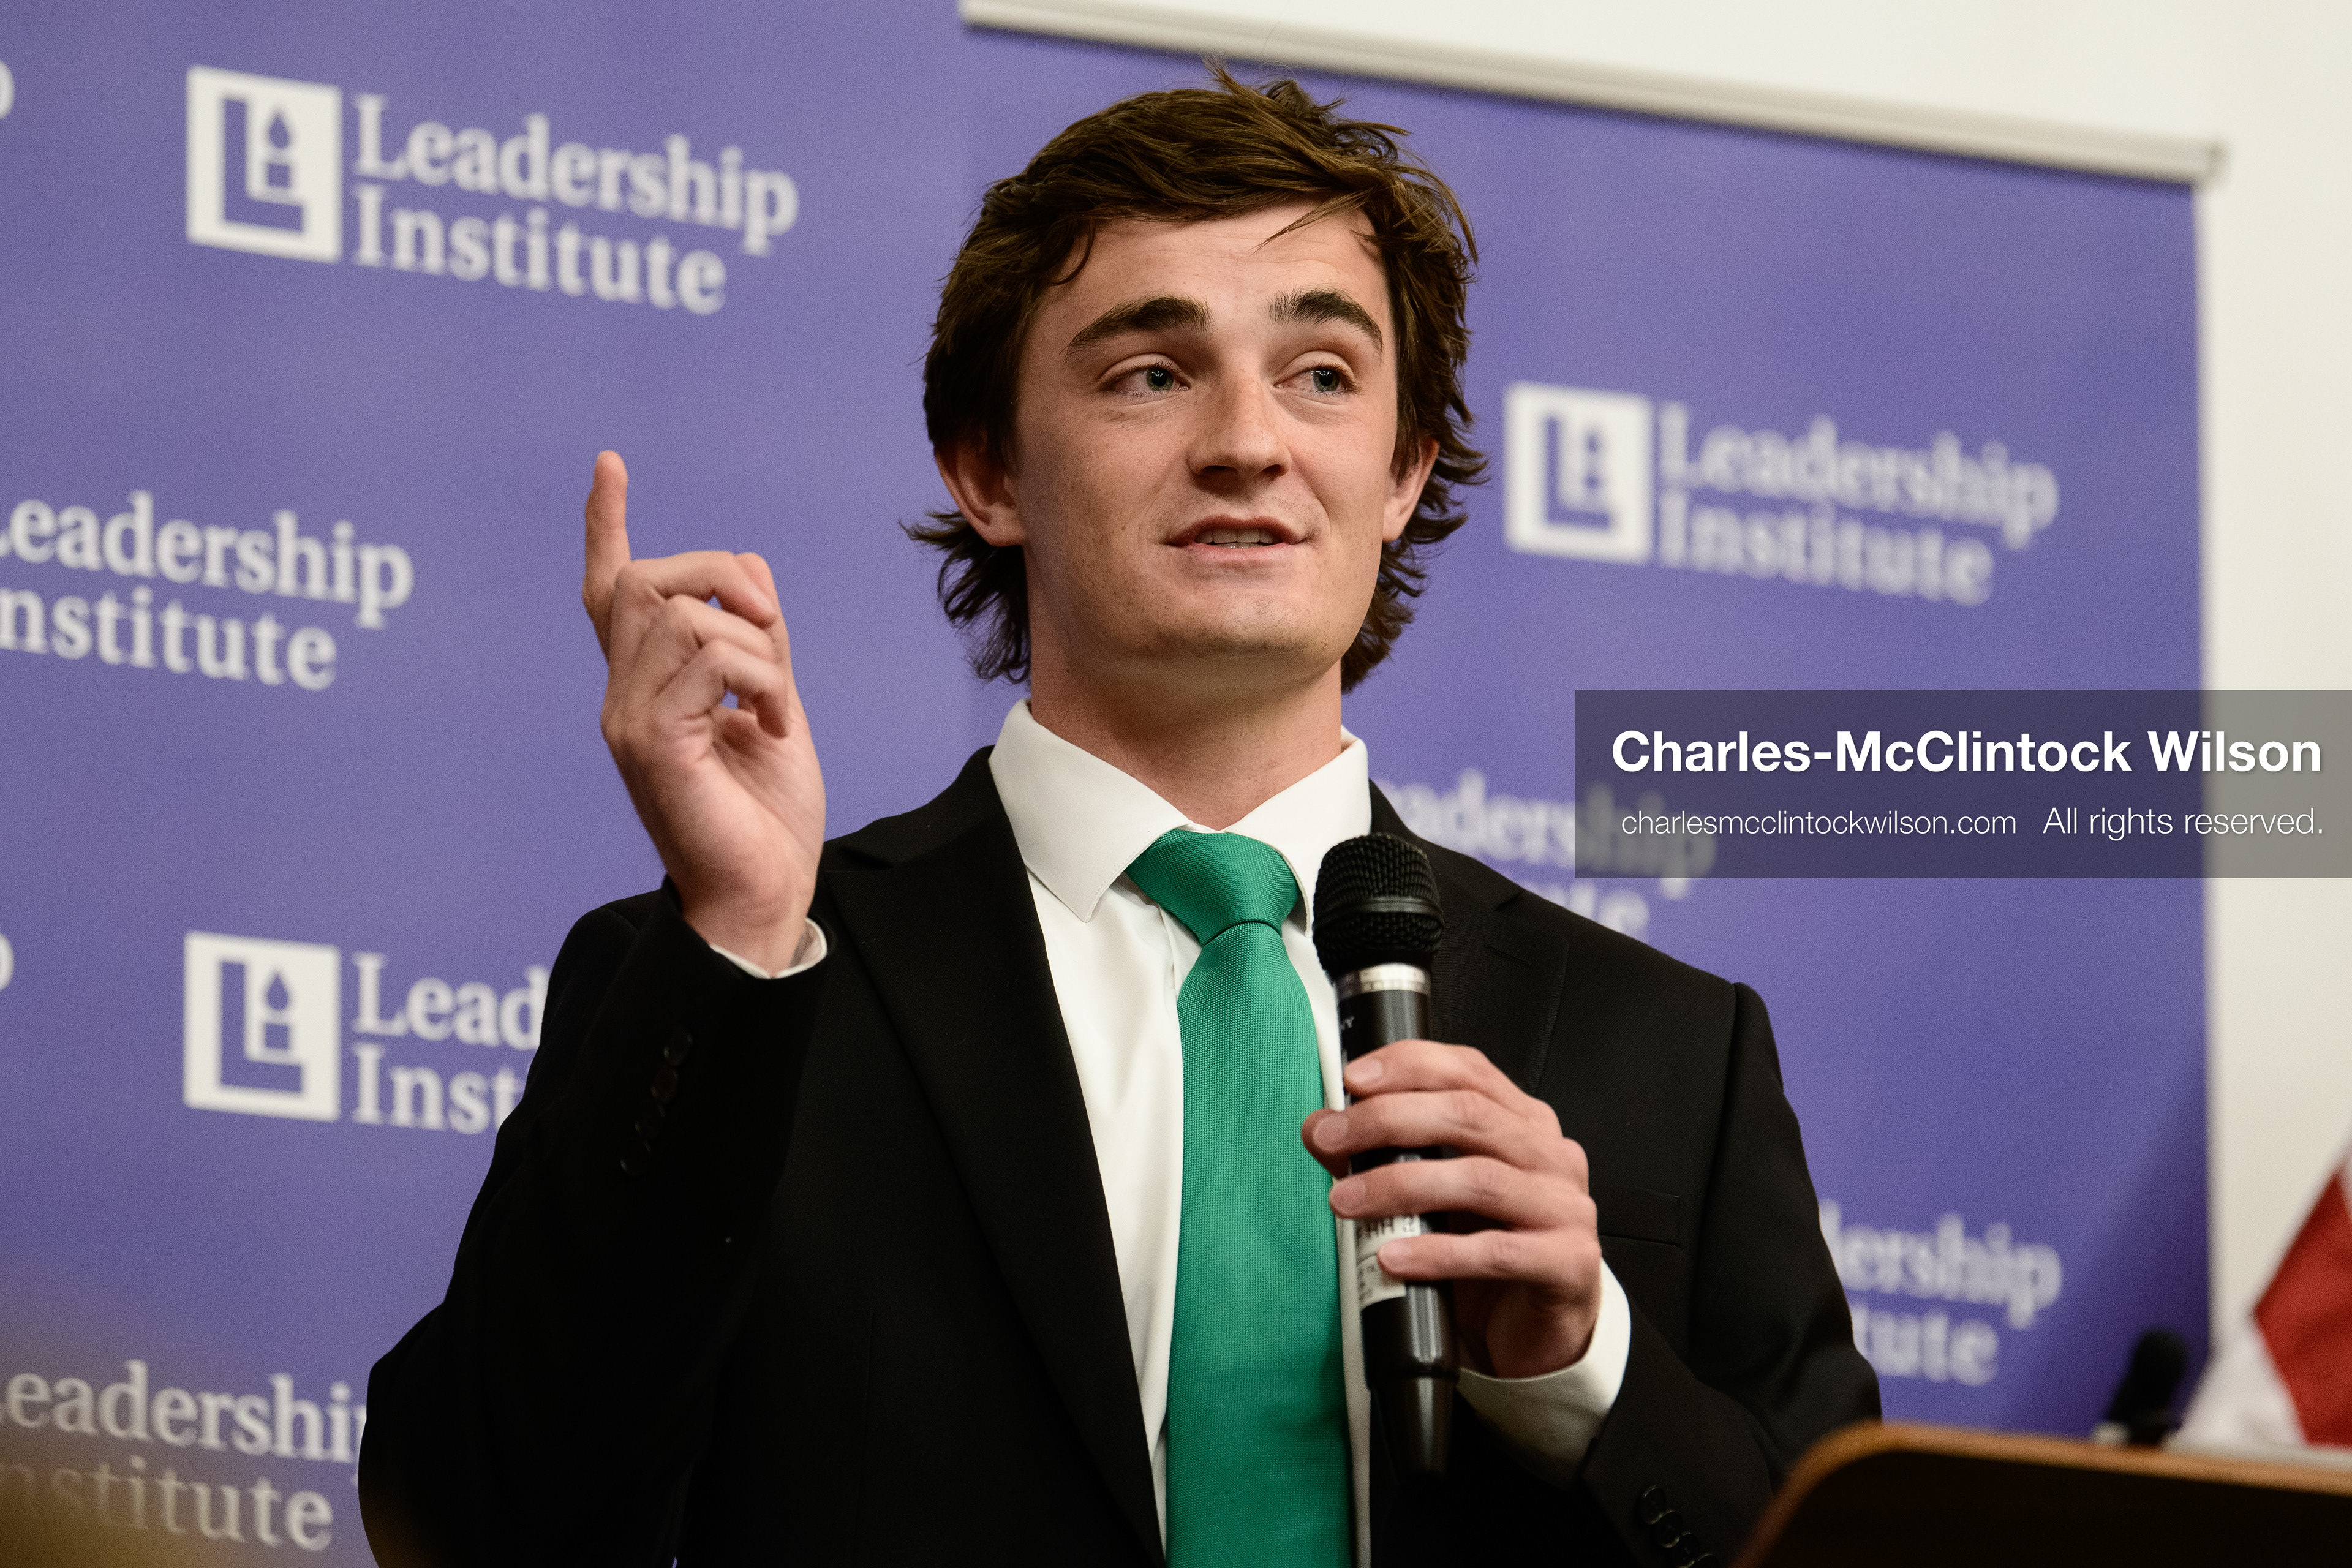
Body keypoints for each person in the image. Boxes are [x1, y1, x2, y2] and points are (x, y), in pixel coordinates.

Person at [359, 71, 1875, 1568]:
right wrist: (747, 938)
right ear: (988, 469)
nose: (1246, 442)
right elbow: (483, 1524)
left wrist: (1581, 1363)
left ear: (1406, 471)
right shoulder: (735, 982)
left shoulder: (1674, 1051)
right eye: (1151, 371)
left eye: (1325, 374)